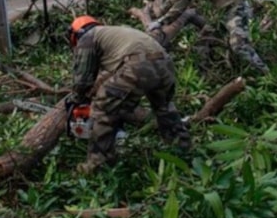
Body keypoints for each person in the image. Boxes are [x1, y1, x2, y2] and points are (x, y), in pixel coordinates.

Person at [66, 15, 191, 174]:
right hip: (165, 64)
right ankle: (182, 148)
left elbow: (83, 80)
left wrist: (76, 99)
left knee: (103, 109)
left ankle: (97, 164)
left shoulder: (87, 38)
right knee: (164, 108)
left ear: (75, 33)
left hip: (138, 65)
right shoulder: (112, 33)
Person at [149, 0, 269, 74]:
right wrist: (161, 9)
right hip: (223, 11)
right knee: (204, 39)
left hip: (236, 8)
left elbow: (182, 5)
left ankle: (265, 74)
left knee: (239, 46)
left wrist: (161, 22)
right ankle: (205, 73)